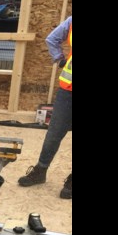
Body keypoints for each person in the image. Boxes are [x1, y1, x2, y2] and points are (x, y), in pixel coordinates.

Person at [18, 16, 72, 199]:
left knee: (54, 133)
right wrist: (60, 58)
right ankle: (41, 170)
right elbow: (52, 39)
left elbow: (52, 39)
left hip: (67, 93)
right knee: (54, 133)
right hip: (68, 90)